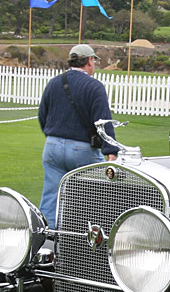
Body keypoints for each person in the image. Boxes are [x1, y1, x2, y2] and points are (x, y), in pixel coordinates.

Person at [38, 44, 120, 227]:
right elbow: (102, 120)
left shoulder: (54, 83)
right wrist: (111, 150)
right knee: (91, 197)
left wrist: (53, 137)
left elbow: (42, 115)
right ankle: (85, 237)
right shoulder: (94, 86)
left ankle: (47, 239)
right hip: (82, 148)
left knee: (51, 197)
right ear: (89, 61)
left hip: (52, 145)